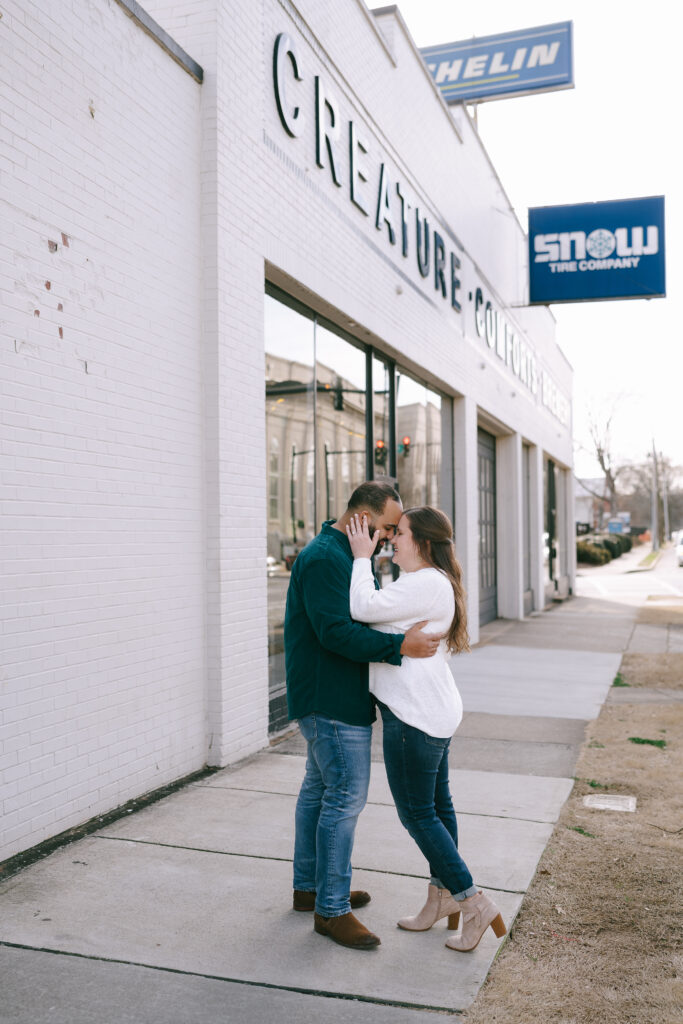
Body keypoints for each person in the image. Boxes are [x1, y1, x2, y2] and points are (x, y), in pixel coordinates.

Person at [284, 482, 442, 951]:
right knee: (345, 799)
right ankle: (331, 910)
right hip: (330, 698)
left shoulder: (346, 556)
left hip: (334, 694)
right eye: (388, 526)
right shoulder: (323, 559)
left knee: (319, 792)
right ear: (361, 518)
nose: (392, 536)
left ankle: (311, 888)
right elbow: (336, 633)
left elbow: (363, 615)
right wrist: (401, 647)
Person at [346, 506, 507, 953]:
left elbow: (362, 607)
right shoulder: (425, 584)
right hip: (430, 710)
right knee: (437, 807)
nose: (391, 539)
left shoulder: (426, 583)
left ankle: (472, 901)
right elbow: (381, 615)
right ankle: (440, 899)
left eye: (400, 534)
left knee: (417, 814)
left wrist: (362, 556)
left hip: (413, 716)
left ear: (423, 542)